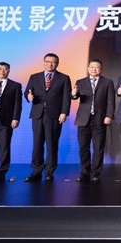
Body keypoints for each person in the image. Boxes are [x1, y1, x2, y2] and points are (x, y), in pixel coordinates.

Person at [24, 53, 71, 183]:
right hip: (38, 114)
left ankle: (50, 171)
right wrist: (29, 97)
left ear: (57, 63)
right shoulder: (34, 77)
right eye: (48, 61)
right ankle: (36, 171)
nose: (50, 64)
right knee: (37, 143)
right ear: (44, 62)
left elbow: (66, 97)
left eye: (53, 62)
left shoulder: (64, 78)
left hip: (54, 115)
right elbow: (27, 92)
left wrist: (64, 112)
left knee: (52, 143)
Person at [72, 59, 115, 183]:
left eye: (97, 67)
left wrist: (109, 115)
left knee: (98, 147)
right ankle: (85, 172)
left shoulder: (107, 82)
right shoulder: (80, 82)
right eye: (92, 67)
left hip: (100, 119)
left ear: (101, 69)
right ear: (88, 68)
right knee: (83, 147)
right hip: (83, 119)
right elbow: (75, 96)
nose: (94, 69)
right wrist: (73, 94)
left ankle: (96, 173)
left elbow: (111, 101)